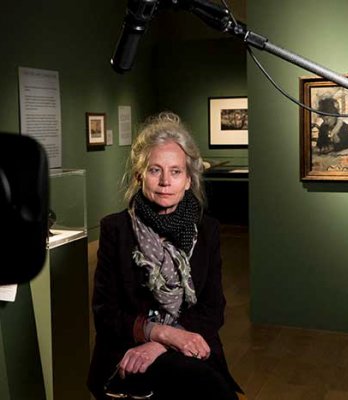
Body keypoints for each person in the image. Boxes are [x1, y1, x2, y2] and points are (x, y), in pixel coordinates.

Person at [87, 112, 243, 400]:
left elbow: (213, 308)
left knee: (209, 386)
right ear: (139, 176)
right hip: (127, 349)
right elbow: (106, 315)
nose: (165, 182)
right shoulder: (116, 229)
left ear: (188, 180)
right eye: (155, 170)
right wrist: (160, 333)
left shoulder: (206, 229)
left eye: (175, 172)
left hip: (190, 340)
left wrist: (163, 343)